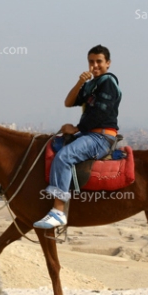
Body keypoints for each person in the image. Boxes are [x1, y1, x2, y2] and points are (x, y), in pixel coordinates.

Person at [34, 45, 121, 229]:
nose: (94, 65)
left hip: (101, 137)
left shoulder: (108, 82)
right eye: (91, 62)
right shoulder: (92, 85)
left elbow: (101, 112)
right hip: (90, 134)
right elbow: (69, 102)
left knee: (64, 157)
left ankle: (58, 212)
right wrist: (79, 83)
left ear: (108, 63)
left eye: (99, 61)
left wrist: (77, 128)